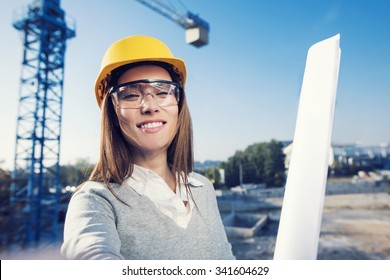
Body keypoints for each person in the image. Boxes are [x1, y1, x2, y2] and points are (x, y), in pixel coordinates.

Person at [61, 35, 235, 260]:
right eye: (132, 95)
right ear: (112, 115)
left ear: (179, 106)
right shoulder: (95, 201)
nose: (151, 106)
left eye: (163, 92)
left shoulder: (202, 187)